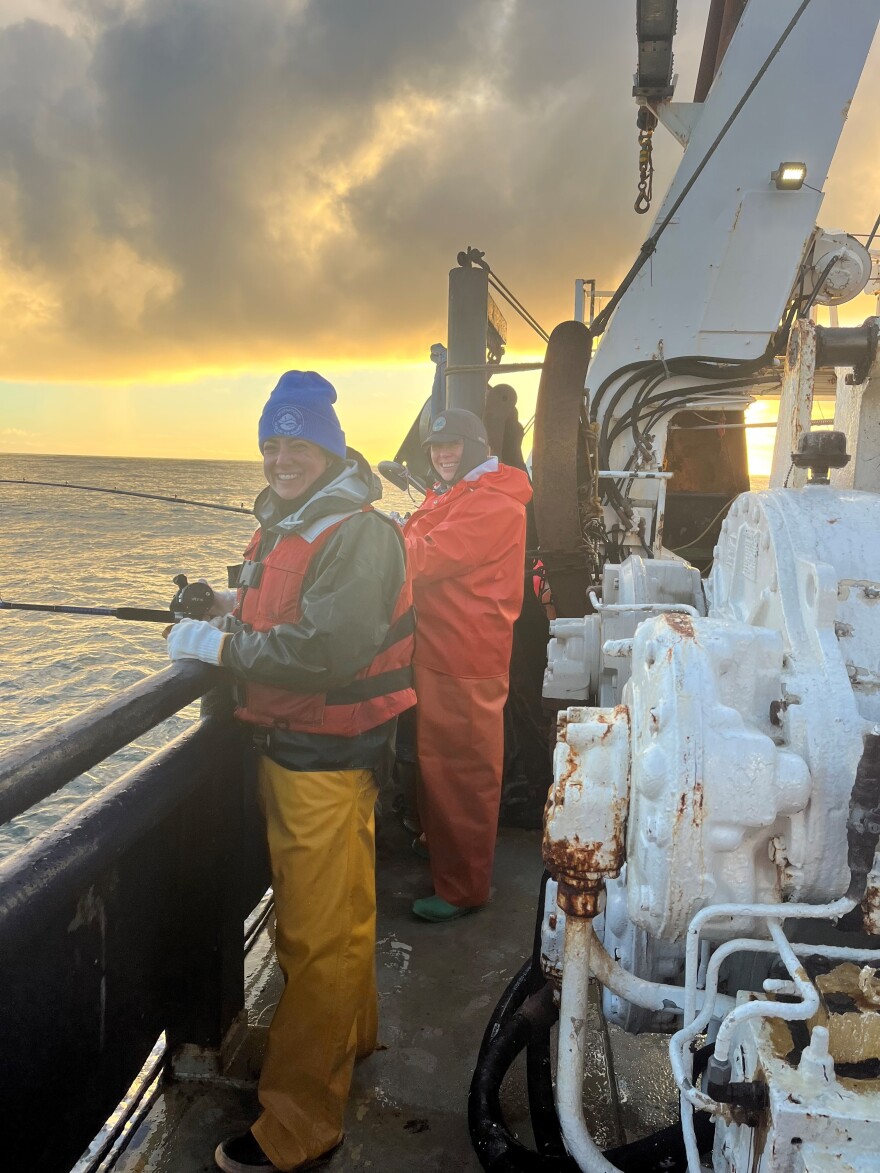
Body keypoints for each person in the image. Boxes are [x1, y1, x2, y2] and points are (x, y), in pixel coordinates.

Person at [165, 370, 416, 1173]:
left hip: (324, 762)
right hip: (294, 755)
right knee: (337, 920)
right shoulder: (287, 525)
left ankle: (302, 1122)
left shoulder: (361, 532)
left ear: (328, 449)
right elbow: (275, 610)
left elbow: (328, 648)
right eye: (272, 443)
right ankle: (351, 1034)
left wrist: (222, 650)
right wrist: (221, 612)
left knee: (315, 940)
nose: (281, 456)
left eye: (296, 443)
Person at [403, 407, 532, 923]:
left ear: (478, 445)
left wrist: (359, 549)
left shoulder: (494, 504)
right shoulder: (461, 492)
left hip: (464, 656)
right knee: (438, 762)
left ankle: (463, 888)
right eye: (436, 447)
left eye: (453, 444)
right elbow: (420, 531)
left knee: (462, 770)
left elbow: (426, 555)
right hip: (439, 649)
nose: (442, 454)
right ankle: (440, 845)